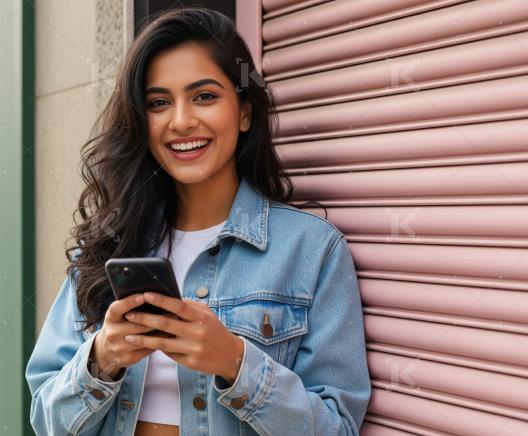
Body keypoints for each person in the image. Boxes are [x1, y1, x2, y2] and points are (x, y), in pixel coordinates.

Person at [26, 7, 371, 435]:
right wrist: (102, 359)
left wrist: (234, 361)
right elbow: (46, 420)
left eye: (204, 96)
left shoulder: (312, 251)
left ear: (244, 112)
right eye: (158, 102)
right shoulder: (107, 246)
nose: (181, 120)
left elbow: (337, 429)